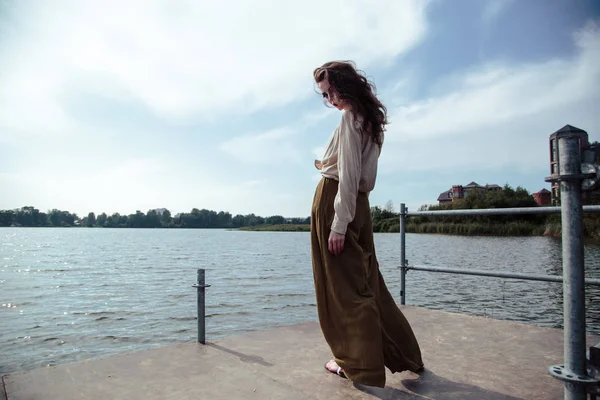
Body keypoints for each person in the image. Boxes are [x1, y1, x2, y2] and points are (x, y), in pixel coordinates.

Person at [310, 60, 424, 388]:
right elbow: (360, 176)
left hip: (338, 203)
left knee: (343, 290)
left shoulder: (349, 119)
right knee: (370, 284)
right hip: (360, 206)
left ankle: (359, 365)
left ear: (347, 84)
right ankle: (404, 354)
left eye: (332, 91)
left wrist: (338, 224)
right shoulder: (372, 120)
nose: (330, 99)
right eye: (325, 95)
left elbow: (346, 173)